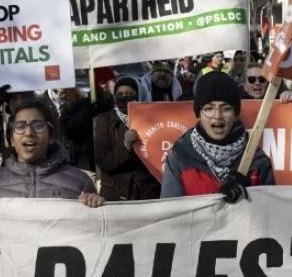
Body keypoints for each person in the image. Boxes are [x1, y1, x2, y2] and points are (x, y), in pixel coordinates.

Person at [0, 100, 104, 205]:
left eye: (38, 125)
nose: (29, 132)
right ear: (11, 139)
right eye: (20, 126)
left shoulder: (80, 182)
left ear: (51, 135)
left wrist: (96, 205)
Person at [161, 71, 275, 200]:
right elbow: (171, 207)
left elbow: (269, 207)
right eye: (209, 109)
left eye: (226, 109)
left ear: (235, 114)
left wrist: (251, 194)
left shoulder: (257, 160)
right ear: (199, 113)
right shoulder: (180, 155)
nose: (217, 116)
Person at [94, 77, 161, 200]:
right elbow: (104, 163)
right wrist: (126, 145)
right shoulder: (103, 121)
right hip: (116, 194)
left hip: (147, 193)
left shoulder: (152, 119)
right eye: (120, 94)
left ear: (139, 95)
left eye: (130, 93)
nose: (124, 97)